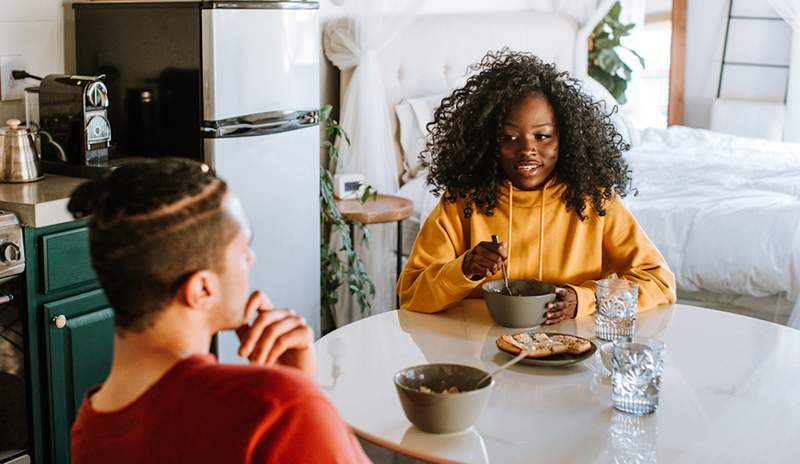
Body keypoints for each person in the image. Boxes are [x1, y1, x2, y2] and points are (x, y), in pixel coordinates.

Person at [68, 159, 370, 463]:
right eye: (241, 251)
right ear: (201, 290)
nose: (251, 259)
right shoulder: (274, 407)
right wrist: (303, 393)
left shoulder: (89, 429)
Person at [397, 49, 676, 322]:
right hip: (484, 355)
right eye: (509, 137)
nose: (527, 149)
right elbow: (411, 294)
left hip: (570, 352)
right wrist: (465, 268)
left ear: (564, 138)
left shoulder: (595, 201)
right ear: (488, 142)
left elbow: (660, 282)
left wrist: (584, 299)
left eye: (542, 136)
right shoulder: (461, 204)